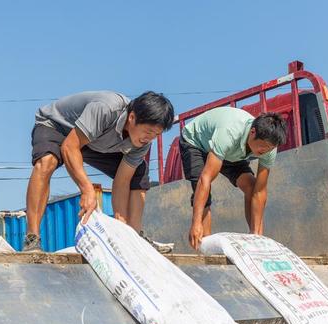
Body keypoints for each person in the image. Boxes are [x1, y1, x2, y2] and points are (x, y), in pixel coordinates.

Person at [24, 90, 174, 252]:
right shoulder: (106, 108)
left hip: (92, 140)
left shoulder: (142, 143)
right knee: (47, 161)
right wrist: (87, 190)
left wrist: (120, 225)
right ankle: (32, 237)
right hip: (58, 126)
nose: (149, 138)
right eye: (148, 132)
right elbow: (69, 147)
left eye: (156, 135)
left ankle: (134, 237)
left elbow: (122, 180)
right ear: (132, 118)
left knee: (139, 172)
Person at [179, 107, 287, 250]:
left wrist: (257, 235)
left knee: (251, 185)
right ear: (253, 132)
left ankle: (254, 237)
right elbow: (205, 179)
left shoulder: (269, 149)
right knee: (205, 189)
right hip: (196, 142)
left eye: (270, 148)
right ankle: (205, 247)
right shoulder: (230, 132)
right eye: (263, 146)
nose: (265, 151)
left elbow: (260, 191)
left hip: (230, 152)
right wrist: (196, 222)